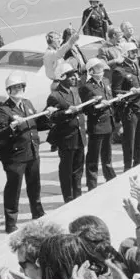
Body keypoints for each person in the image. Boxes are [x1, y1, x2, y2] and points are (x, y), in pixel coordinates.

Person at [0, 73, 54, 234]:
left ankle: (37, 212)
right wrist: (11, 127)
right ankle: (11, 222)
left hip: (32, 151)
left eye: (20, 87)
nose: (17, 90)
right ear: (8, 90)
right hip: (15, 157)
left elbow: (36, 124)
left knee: (35, 185)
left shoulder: (27, 103)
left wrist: (47, 116)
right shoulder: (3, 110)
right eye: (14, 88)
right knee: (14, 188)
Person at [46, 62, 89, 203]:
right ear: (62, 77)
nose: (74, 78)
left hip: (80, 136)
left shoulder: (75, 91)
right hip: (66, 138)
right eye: (70, 76)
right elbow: (50, 118)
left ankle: (77, 195)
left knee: (78, 170)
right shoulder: (55, 96)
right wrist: (66, 112)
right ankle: (68, 198)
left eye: (74, 75)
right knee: (66, 171)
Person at [79, 58, 117, 191]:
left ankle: (110, 177)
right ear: (91, 71)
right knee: (93, 158)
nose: (100, 70)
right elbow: (86, 109)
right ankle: (92, 184)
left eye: (101, 67)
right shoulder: (87, 87)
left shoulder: (106, 82)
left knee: (107, 155)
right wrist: (98, 105)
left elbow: (110, 96)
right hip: (97, 125)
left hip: (108, 122)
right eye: (97, 68)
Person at [112, 41, 140, 172]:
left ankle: (139, 161)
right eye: (133, 52)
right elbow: (116, 92)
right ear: (126, 54)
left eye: (136, 51)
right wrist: (129, 92)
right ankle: (128, 166)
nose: (136, 54)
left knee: (139, 138)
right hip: (129, 109)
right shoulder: (119, 71)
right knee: (129, 140)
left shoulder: (136, 66)